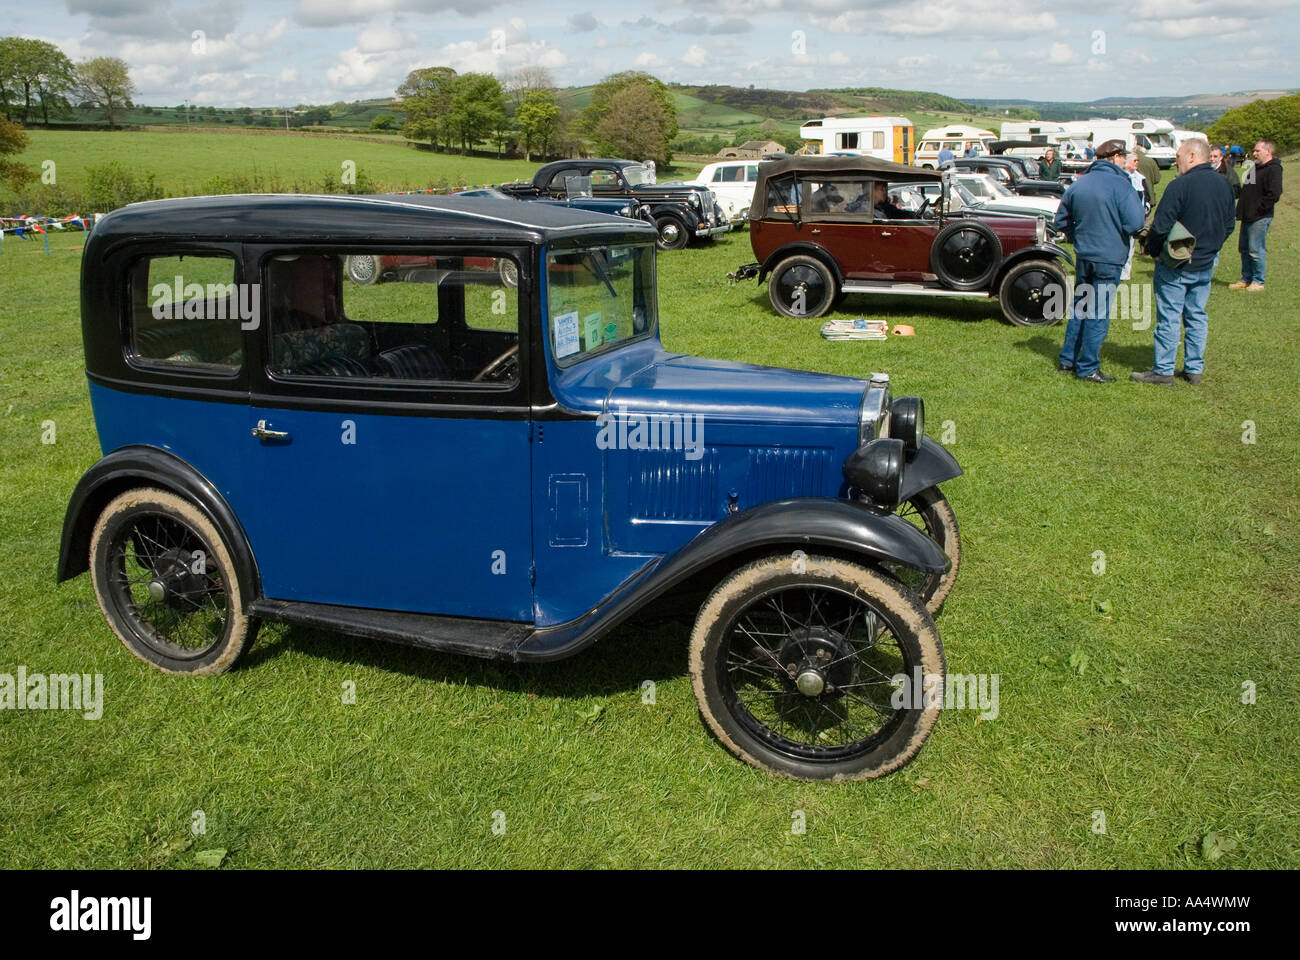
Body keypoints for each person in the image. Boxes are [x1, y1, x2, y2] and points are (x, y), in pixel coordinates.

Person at [1131, 138, 1236, 386]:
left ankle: (1164, 371)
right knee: (1197, 315)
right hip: (1205, 262)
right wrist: (1212, 248)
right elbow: (1229, 224)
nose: (1175, 160)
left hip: (1176, 264)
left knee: (1169, 316)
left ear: (1191, 156)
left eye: (1178, 156)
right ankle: (1194, 369)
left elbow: (1160, 226)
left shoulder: (1180, 185)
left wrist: (1154, 251)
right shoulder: (1224, 184)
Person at [1053, 139, 1146, 382]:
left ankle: (1068, 359)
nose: (1125, 159)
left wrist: (1078, 237)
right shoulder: (1121, 184)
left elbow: (1061, 221)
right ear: (1115, 157)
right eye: (1123, 156)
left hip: (1085, 255)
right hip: (1110, 256)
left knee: (1080, 308)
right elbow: (1136, 223)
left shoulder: (1079, 183)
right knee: (1098, 312)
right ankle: (1088, 367)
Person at [1229, 140, 1283, 292]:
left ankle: (1258, 281)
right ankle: (1246, 279)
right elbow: (1247, 191)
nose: (1254, 153)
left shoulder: (1274, 169)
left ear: (1268, 151)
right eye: (1254, 151)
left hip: (1260, 216)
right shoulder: (1255, 167)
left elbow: (1274, 194)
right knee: (1244, 248)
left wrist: (1259, 210)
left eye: (1257, 151)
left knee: (1255, 249)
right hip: (1247, 215)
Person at [1120, 151, 1152, 281]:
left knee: (1132, 245)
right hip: (1123, 216)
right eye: (1134, 161)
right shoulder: (1122, 177)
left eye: (1137, 160)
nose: (1137, 163)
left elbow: (1147, 196)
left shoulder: (1140, 178)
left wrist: (1146, 207)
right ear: (1127, 162)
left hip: (1137, 216)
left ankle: (1126, 273)